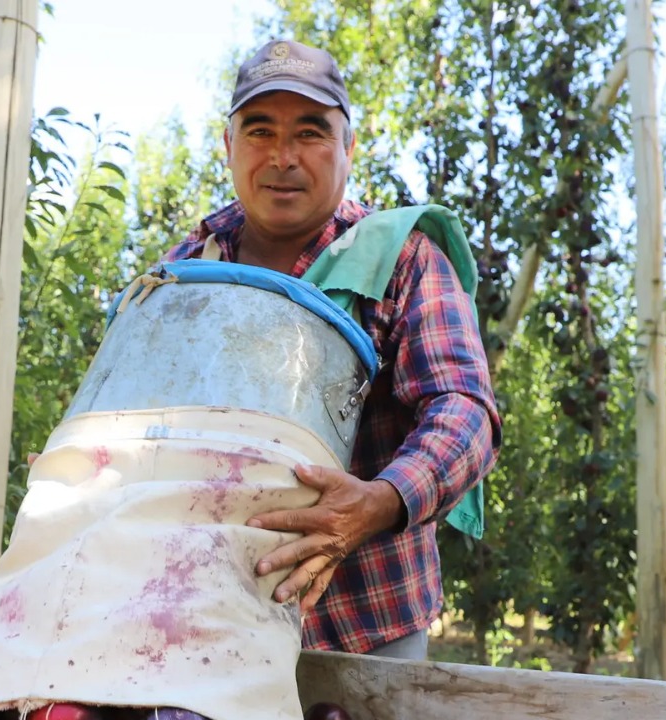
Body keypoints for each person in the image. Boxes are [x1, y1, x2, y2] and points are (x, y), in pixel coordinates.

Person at [159, 38, 502, 674]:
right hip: (199, 620)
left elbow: (465, 410)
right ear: (228, 146)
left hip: (363, 626)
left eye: (311, 132)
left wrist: (381, 500)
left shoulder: (400, 258)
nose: (283, 157)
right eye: (260, 130)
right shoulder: (185, 272)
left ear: (348, 146)